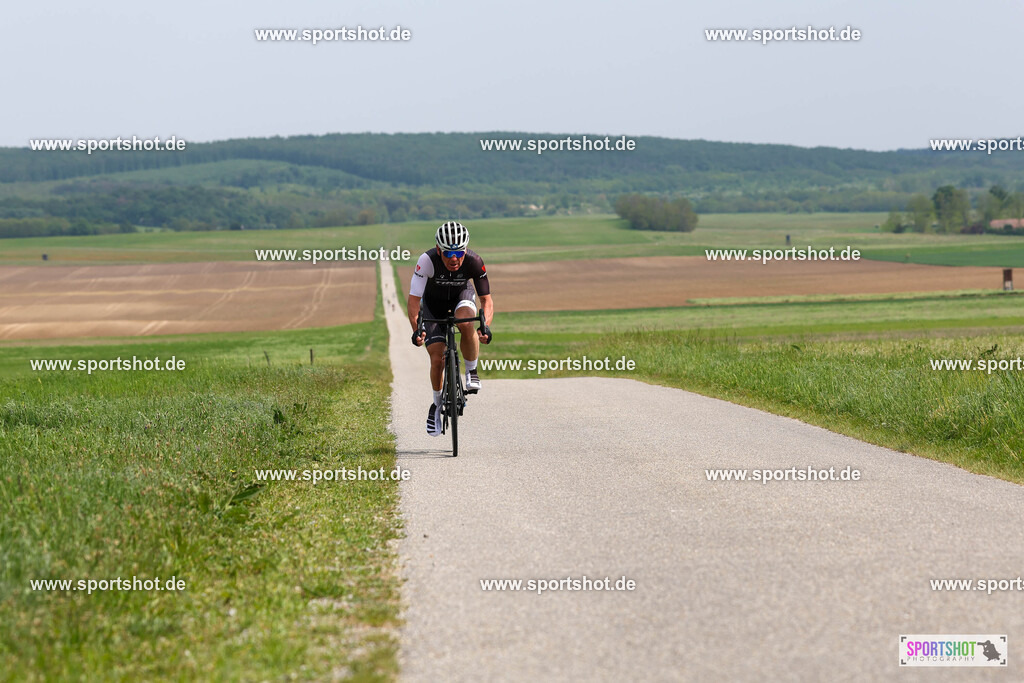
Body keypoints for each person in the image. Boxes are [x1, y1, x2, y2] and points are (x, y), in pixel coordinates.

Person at [408, 221, 494, 436]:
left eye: (459, 252)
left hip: (461, 298)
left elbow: (486, 300)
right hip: (433, 307)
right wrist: (417, 329)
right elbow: (413, 300)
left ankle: (472, 371)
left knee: (466, 321)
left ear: (465, 249)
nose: (454, 258)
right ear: (439, 250)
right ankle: (437, 405)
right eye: (448, 253)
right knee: (437, 358)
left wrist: (485, 327)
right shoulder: (426, 261)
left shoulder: (474, 261)